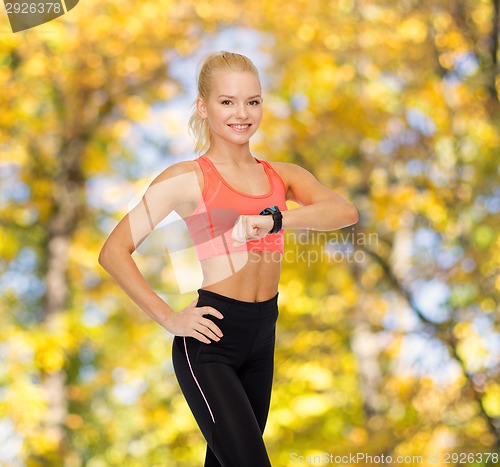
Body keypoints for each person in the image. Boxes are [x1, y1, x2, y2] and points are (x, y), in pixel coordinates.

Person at [98, 50, 358, 467]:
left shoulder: (280, 175)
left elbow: (344, 212)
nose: (242, 113)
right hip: (210, 340)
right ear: (204, 107)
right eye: (227, 102)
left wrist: (273, 220)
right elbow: (113, 252)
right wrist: (170, 318)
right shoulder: (187, 178)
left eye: (252, 101)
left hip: (263, 335)